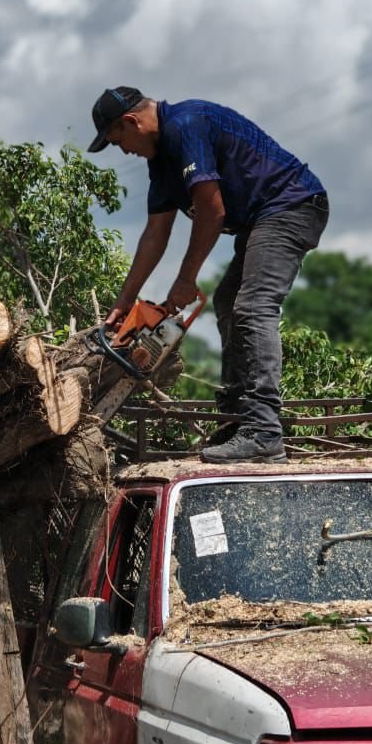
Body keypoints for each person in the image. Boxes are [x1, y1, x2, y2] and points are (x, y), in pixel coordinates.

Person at [88, 86, 329, 464]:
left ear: (132, 121)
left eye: (119, 141)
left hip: (291, 205)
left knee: (252, 306)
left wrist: (185, 279)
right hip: (260, 218)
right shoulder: (161, 159)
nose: (125, 151)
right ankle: (236, 421)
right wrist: (124, 302)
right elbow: (155, 233)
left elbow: (211, 211)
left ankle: (263, 431)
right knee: (229, 302)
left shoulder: (187, 124)